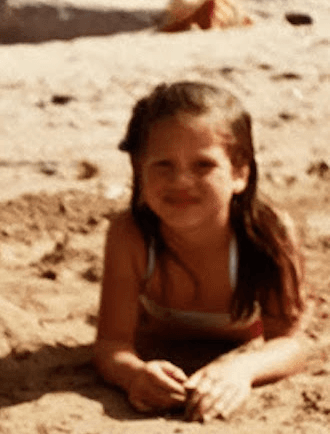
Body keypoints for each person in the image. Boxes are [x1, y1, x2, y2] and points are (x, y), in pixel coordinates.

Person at [93, 81, 311, 422]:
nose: (181, 180)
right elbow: (110, 345)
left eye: (203, 165)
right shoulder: (130, 236)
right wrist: (134, 375)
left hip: (241, 350)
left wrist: (242, 370)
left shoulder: (267, 233)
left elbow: (291, 343)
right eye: (163, 165)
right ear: (138, 169)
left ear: (239, 173)